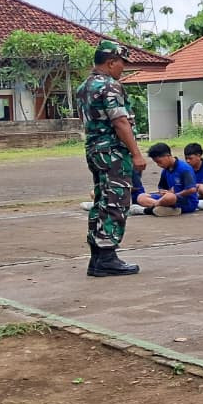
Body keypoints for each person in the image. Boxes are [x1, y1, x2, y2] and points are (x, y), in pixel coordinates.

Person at [75, 39, 145, 277]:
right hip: (113, 152)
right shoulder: (110, 86)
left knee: (102, 201)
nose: (122, 68)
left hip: (94, 150)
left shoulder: (84, 86)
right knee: (116, 201)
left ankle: (97, 257)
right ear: (110, 61)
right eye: (121, 63)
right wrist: (136, 154)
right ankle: (107, 256)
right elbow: (120, 121)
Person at [135, 142, 199, 217]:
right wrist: (162, 191)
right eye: (156, 163)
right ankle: (162, 208)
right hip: (167, 199)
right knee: (141, 197)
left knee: (170, 197)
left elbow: (192, 189)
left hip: (186, 201)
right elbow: (162, 187)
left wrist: (175, 194)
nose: (158, 165)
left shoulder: (184, 168)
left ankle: (152, 208)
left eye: (159, 162)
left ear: (167, 156)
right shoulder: (165, 170)